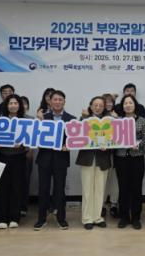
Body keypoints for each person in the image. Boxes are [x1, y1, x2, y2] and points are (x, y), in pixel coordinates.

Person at [34, 90, 75, 230]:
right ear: (50, 101)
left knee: (60, 189)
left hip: (61, 159)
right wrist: (39, 122)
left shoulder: (71, 119)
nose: (57, 102)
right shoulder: (42, 117)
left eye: (60, 99)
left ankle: (61, 219)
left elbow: (74, 140)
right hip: (44, 158)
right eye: (55, 99)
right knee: (43, 189)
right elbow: (35, 136)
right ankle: (41, 219)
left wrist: (68, 145)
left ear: (64, 102)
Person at [76, 96, 111, 229]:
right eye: (95, 105)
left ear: (104, 107)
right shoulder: (84, 120)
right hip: (87, 158)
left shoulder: (110, 121)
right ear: (90, 106)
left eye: (100, 105)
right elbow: (77, 137)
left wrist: (108, 146)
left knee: (100, 189)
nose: (98, 107)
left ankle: (97, 217)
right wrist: (83, 118)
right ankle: (87, 218)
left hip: (103, 159)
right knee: (87, 190)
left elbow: (116, 139)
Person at [115, 94, 145, 229]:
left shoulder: (141, 120)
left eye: (130, 103)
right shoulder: (118, 121)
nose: (128, 105)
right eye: (125, 103)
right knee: (123, 188)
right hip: (121, 158)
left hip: (137, 158)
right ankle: (123, 217)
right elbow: (112, 137)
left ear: (135, 105)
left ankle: (136, 218)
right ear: (122, 106)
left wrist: (138, 145)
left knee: (136, 189)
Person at [0, 95, 27, 229]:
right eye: (10, 103)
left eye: (15, 103)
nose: (13, 105)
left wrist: (23, 144)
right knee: (2, 187)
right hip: (2, 156)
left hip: (19, 157)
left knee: (16, 187)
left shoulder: (25, 121)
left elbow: (31, 141)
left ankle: (14, 217)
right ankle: (1, 218)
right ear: (6, 105)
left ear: (19, 105)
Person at [101, 93, 119, 217]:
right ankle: (101, 205)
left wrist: (117, 120)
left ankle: (113, 204)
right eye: (106, 102)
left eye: (110, 102)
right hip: (101, 154)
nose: (108, 104)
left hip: (114, 153)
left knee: (114, 180)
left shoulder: (117, 116)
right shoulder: (97, 117)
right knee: (102, 181)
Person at [19, 95, 36, 218]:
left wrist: (31, 150)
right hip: (11, 154)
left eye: (25, 103)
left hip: (26, 154)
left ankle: (23, 206)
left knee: (25, 180)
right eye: (20, 103)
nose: (22, 105)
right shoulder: (10, 118)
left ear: (28, 106)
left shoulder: (32, 119)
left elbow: (34, 138)